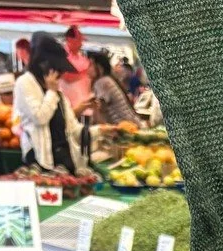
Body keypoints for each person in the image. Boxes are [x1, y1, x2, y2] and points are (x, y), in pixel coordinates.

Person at [12, 31, 87, 175]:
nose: (61, 75)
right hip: (39, 163)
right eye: (58, 69)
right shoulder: (25, 83)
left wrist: (102, 131)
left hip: (64, 162)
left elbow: (73, 129)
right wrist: (51, 92)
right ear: (44, 66)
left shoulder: (58, 93)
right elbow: (39, 118)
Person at [85, 47, 134, 126]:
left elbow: (100, 117)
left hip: (124, 127)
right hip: (129, 124)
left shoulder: (102, 82)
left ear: (99, 68)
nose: (87, 68)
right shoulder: (108, 79)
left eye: (90, 65)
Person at [58, 22, 91, 113]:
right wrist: (86, 73)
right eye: (79, 40)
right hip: (68, 106)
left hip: (83, 104)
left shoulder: (81, 58)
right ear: (70, 40)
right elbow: (66, 76)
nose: (81, 44)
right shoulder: (62, 56)